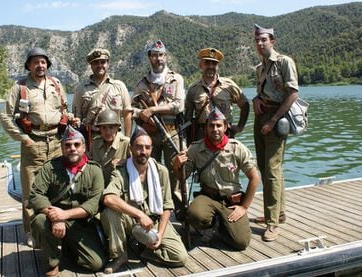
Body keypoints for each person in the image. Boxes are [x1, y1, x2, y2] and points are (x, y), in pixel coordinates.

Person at [0, 47, 76, 247]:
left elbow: (64, 109)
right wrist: (24, 139)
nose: (40, 65)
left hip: (57, 142)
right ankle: (32, 232)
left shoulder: (56, 84)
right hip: (33, 143)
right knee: (31, 191)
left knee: (59, 186)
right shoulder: (20, 87)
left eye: (43, 62)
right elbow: (5, 117)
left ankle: (57, 227)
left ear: (47, 65)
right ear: (28, 65)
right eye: (36, 62)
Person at [100, 126, 188, 274]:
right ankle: (120, 255)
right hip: (131, 221)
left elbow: (167, 206)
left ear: (151, 149)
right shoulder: (121, 172)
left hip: (155, 222)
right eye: (139, 147)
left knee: (180, 257)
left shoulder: (161, 171)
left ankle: (146, 248)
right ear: (131, 148)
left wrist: (159, 233)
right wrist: (140, 215)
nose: (143, 151)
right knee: (109, 212)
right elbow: (108, 198)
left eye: (147, 147)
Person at [173, 108, 260, 250]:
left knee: (241, 242)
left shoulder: (237, 148)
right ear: (206, 127)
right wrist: (176, 166)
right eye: (211, 125)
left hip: (230, 200)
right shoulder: (195, 149)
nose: (215, 129)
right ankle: (212, 223)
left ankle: (222, 226)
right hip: (208, 197)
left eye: (218, 125)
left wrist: (244, 207)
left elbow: (255, 178)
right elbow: (182, 178)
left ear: (225, 127)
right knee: (194, 215)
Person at [29, 125, 106, 276]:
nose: (72, 148)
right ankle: (51, 263)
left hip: (80, 222)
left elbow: (94, 204)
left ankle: (68, 248)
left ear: (84, 147)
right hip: (52, 219)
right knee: (39, 220)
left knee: (96, 264)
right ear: (62, 148)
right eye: (68, 145)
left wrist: (65, 215)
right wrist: (56, 217)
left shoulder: (94, 170)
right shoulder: (49, 168)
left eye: (77, 144)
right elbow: (36, 195)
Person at [252, 24, 299, 242]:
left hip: (277, 119)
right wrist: (255, 100)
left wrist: (272, 120)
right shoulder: (259, 68)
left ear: (272, 41)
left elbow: (292, 94)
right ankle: (278, 212)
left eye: (264, 39)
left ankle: (272, 224)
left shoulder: (284, 62)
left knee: (271, 169)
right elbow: (260, 93)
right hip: (262, 118)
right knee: (266, 167)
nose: (260, 43)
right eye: (257, 40)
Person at [132, 40, 186, 213]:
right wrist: (141, 114)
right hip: (150, 134)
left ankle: (176, 211)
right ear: (149, 58)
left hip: (172, 132)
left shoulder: (175, 79)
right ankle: (151, 209)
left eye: (161, 55)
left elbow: (179, 105)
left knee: (176, 171)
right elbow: (133, 109)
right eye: (154, 55)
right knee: (148, 169)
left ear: (166, 56)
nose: (158, 59)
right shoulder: (141, 84)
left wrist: (154, 109)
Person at [185, 47, 249, 141]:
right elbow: (188, 117)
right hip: (202, 137)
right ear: (201, 65)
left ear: (218, 66)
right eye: (207, 63)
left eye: (214, 63)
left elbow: (245, 104)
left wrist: (240, 127)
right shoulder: (193, 89)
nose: (211, 66)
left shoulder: (229, 85)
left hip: (225, 135)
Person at [72, 48, 133, 145]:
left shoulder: (119, 86)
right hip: (91, 140)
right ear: (91, 66)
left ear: (108, 63)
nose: (100, 65)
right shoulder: (81, 89)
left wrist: (127, 140)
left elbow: (127, 114)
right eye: (96, 63)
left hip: (116, 138)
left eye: (103, 62)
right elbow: (77, 116)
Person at [88, 109, 131, 185]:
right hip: (99, 186)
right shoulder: (95, 143)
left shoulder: (126, 143)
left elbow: (137, 165)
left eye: (111, 127)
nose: (107, 132)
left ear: (117, 128)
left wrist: (125, 162)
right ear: (99, 129)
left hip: (120, 186)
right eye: (104, 128)